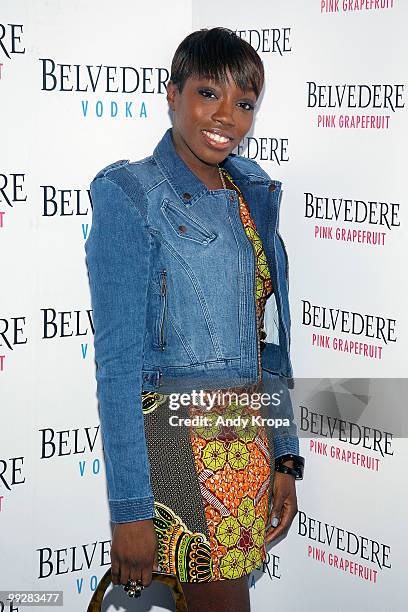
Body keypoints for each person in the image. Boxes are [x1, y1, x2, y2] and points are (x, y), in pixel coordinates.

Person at [85, 27, 304, 612]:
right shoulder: (130, 193)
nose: (227, 116)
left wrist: (284, 455)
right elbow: (117, 366)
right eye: (209, 93)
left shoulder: (253, 192)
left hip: (248, 445)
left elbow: (271, 349)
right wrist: (130, 509)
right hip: (179, 450)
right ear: (172, 92)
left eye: (244, 102)